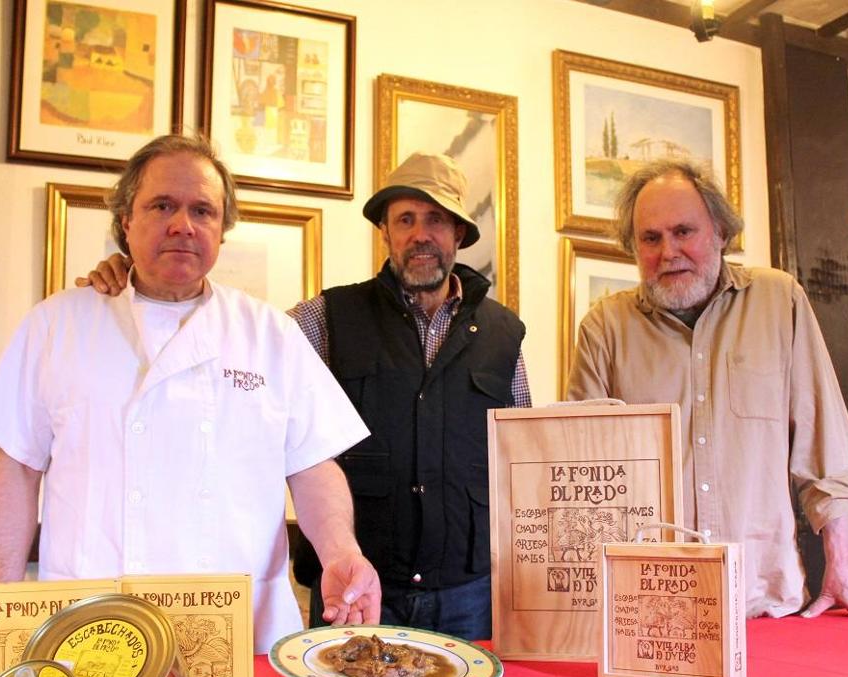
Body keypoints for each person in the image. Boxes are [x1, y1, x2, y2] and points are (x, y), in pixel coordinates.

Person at [82, 153, 529, 640]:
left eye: (436, 220)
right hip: (352, 590)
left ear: (459, 233)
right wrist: (136, 282)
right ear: (385, 232)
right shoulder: (326, 317)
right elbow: (235, 349)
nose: (420, 234)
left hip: (469, 592)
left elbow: (523, 460)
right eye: (405, 219)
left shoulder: (505, 334)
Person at [0, 133, 380, 652]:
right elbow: (17, 466)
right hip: (90, 620)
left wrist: (341, 552)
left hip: (234, 628)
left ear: (221, 231)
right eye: (162, 205)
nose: (183, 224)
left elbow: (312, 464)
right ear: (125, 221)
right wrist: (6, 603)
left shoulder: (270, 334)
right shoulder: (56, 324)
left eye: (203, 211)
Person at [566, 158, 848, 620]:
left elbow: (824, 446)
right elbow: (578, 474)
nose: (668, 251)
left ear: (720, 232)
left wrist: (844, 561)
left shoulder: (780, 301)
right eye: (650, 238)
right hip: (649, 611)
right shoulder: (604, 328)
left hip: (762, 599)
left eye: (683, 231)